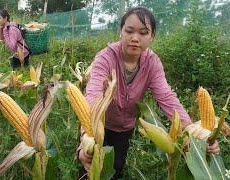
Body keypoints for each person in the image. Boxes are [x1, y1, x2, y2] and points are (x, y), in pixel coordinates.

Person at [77, 7, 220, 179]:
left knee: (114, 169)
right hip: (98, 124)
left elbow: (166, 98)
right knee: (88, 168)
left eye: (143, 33)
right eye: (129, 31)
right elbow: (92, 96)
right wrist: (86, 137)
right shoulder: (105, 58)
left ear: (151, 37)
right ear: (121, 32)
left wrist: (195, 135)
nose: (135, 38)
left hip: (125, 128)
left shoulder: (152, 63)